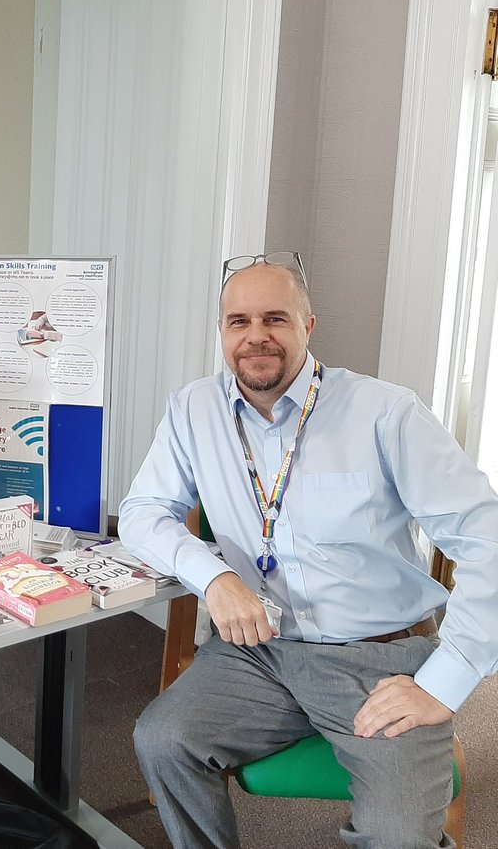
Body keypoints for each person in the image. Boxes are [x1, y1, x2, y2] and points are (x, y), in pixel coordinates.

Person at [118, 252, 498, 848]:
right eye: (238, 321)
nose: (256, 337)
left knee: (399, 836)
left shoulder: (384, 412)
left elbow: (489, 540)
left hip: (379, 660)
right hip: (258, 654)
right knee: (163, 739)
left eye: (276, 318)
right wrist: (213, 577)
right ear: (221, 331)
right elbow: (142, 513)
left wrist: (441, 683)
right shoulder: (194, 409)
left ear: (308, 326)